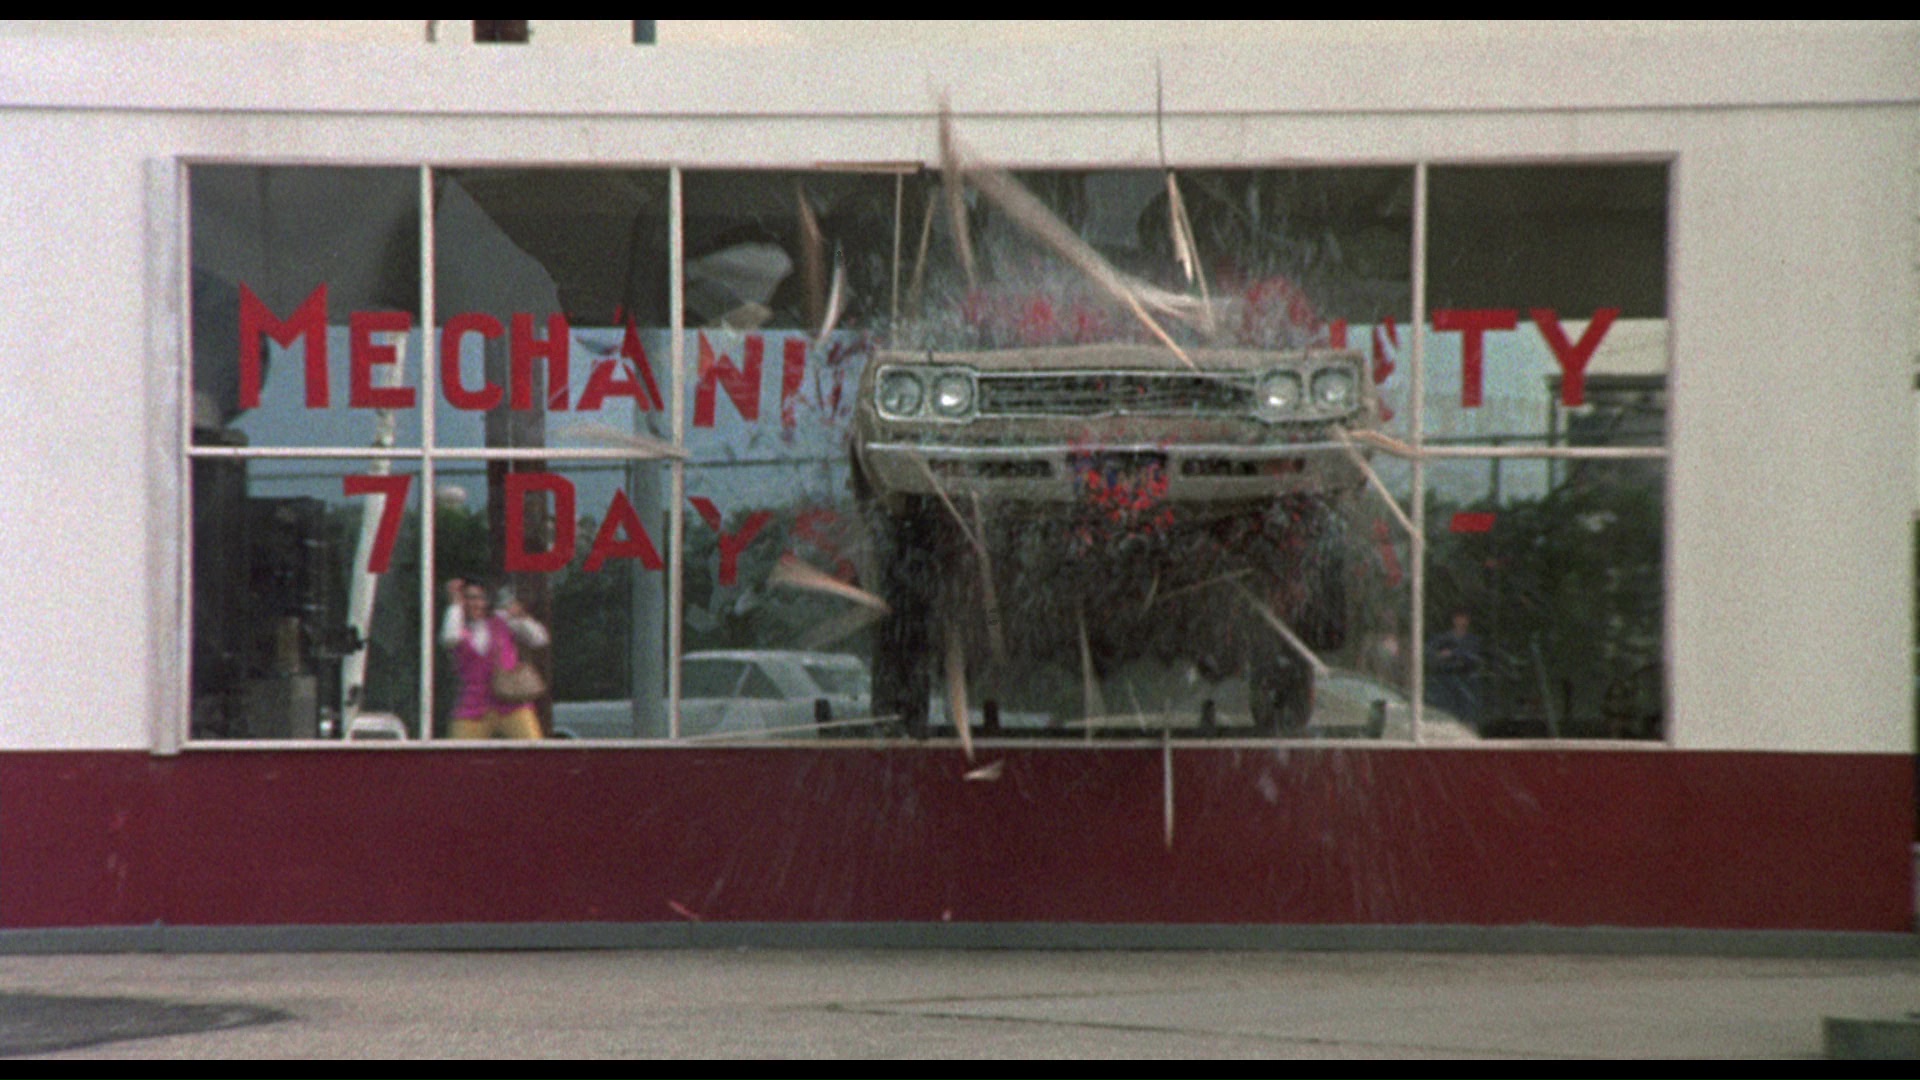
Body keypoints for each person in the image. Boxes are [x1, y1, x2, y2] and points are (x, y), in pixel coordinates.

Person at [441, 578, 550, 739]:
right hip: (473, 706)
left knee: (533, 749)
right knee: (458, 751)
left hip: (511, 702)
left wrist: (521, 617)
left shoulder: (502, 620)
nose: (476, 603)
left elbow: (539, 639)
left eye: (481, 598)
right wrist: (455, 604)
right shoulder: (458, 627)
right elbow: (449, 638)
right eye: (469, 598)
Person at [1424, 608, 1483, 729]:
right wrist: (1439, 656)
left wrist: (1454, 654)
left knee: (1468, 717)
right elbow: (1429, 653)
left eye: (1464, 618)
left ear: (1468, 620)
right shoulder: (1442, 639)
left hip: (1466, 681)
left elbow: (1476, 657)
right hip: (1447, 681)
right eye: (1458, 618)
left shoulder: (1473, 640)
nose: (1461, 621)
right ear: (1453, 620)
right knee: (1447, 716)